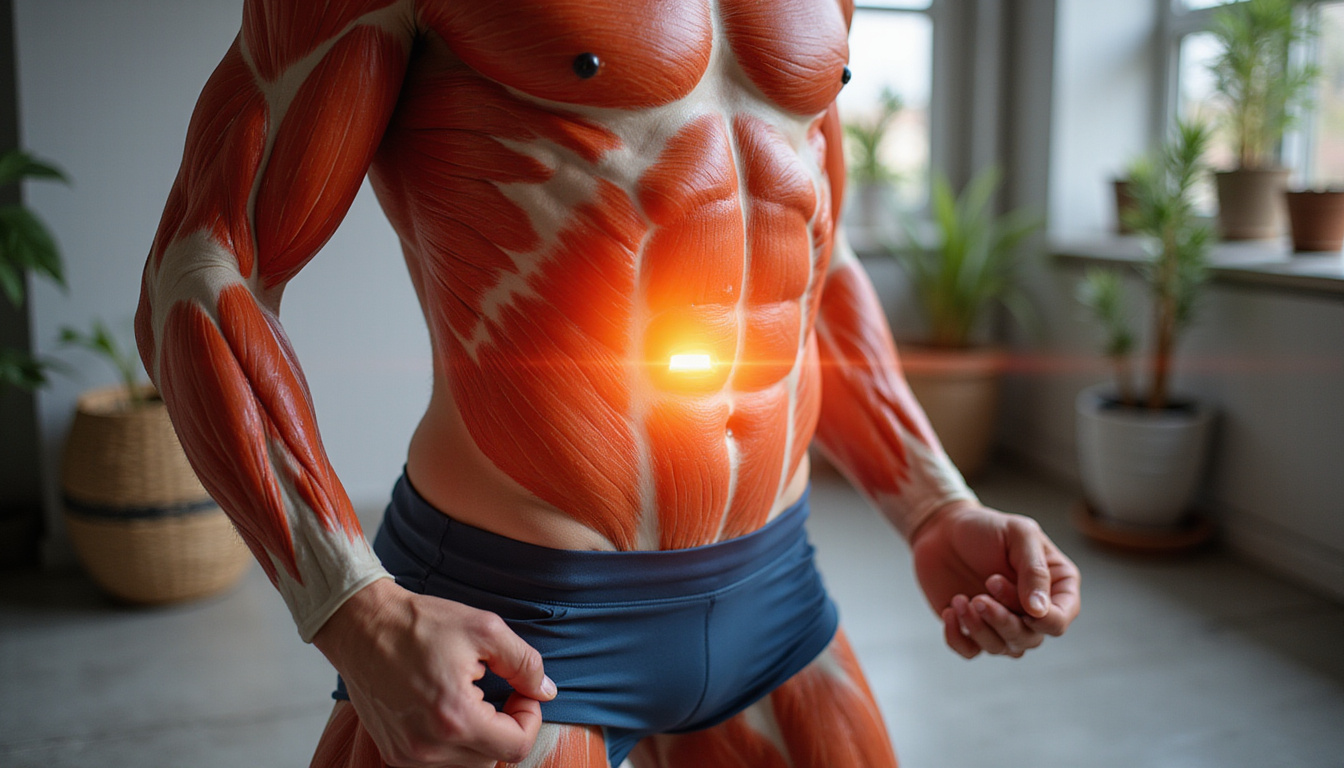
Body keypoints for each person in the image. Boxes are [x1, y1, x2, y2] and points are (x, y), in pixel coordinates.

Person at [136, 1, 1082, 766]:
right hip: (516, 626)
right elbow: (204, 271)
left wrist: (935, 506)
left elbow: (814, 263)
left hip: (775, 598)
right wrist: (357, 612)